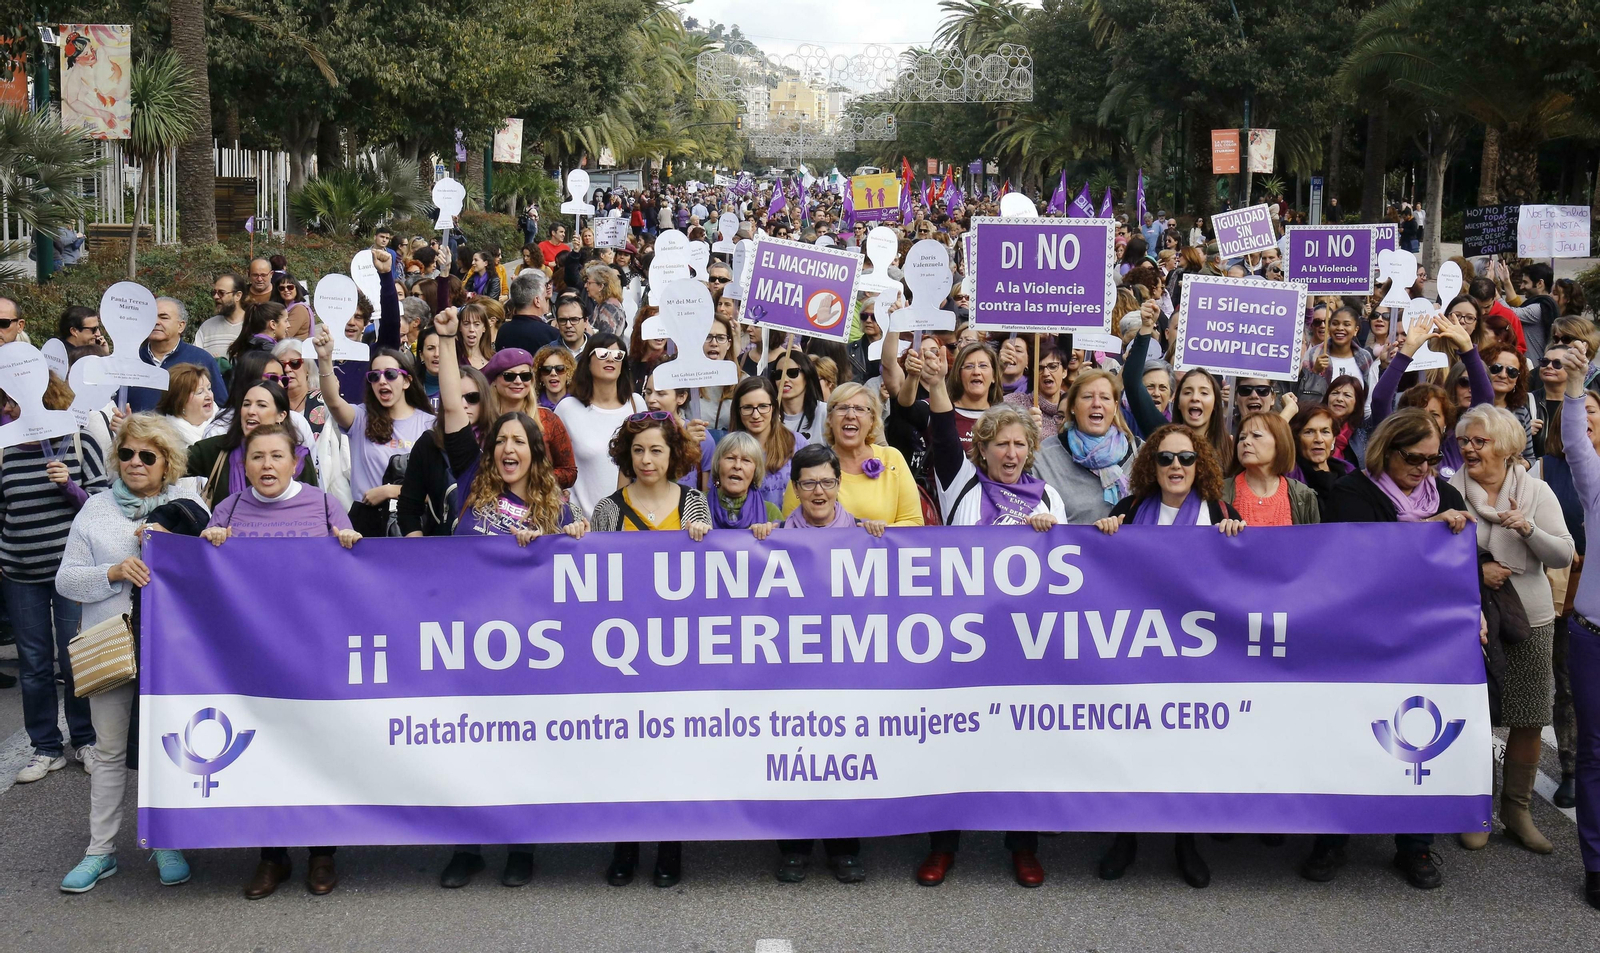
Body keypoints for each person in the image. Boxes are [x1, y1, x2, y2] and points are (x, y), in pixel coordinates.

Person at [914, 347, 1062, 888]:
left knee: (1021, 746)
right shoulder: (962, 484)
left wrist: (1055, 537)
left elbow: (1072, 571)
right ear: (984, 449)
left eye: (1021, 443)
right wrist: (935, 385)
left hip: (1024, 644)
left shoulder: (1048, 497)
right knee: (953, 741)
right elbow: (942, 430)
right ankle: (942, 845)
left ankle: (1022, 844)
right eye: (1001, 442)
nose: (1012, 451)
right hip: (964, 640)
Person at [1306, 408, 1472, 888]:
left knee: (1418, 737)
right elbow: (1361, 559)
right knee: (1349, 737)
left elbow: (1465, 567)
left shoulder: (1447, 494)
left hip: (1424, 641)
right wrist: (1428, 533)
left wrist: (1475, 608)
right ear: (1386, 450)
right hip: (1361, 636)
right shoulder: (1351, 493)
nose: (1425, 469)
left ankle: (1416, 846)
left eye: (1433, 459)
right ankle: (1331, 840)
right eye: (1414, 459)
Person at [202, 422, 357, 897]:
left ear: (296, 461)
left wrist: (349, 543)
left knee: (317, 753)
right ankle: (272, 857)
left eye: (275, 456)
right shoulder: (229, 509)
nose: (266, 466)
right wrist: (208, 545)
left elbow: (354, 576)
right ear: (243, 465)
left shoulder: (325, 504)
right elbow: (208, 582)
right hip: (254, 658)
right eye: (256, 457)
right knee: (264, 754)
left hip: (315, 653)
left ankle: (322, 855)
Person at [1091, 423, 1243, 889]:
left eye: (1186, 458)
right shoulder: (1132, 508)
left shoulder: (1220, 510)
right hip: (1138, 650)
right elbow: (1101, 568)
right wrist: (1106, 531)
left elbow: (1244, 578)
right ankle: (1125, 838)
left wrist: (1238, 536)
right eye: (1165, 459)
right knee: (1132, 745)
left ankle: (1184, 841)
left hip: (1195, 656)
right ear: (1150, 466)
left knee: (1186, 749)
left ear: (1200, 465)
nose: (1176, 466)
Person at [55, 414, 202, 893]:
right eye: (126, 454)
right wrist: (113, 572)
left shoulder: (190, 505)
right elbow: (65, 579)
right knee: (110, 751)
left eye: (147, 456)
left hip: (173, 653)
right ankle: (100, 852)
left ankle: (165, 840)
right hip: (113, 646)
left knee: (165, 751)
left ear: (167, 463)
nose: (134, 463)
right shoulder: (95, 509)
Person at [590, 411, 711, 890]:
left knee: (671, 753)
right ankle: (625, 846)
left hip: (678, 652)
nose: (646, 459)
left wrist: (704, 543)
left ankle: (669, 846)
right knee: (626, 754)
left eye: (656, 449)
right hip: (623, 652)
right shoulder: (607, 509)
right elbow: (589, 580)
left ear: (673, 454)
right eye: (638, 450)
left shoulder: (694, 504)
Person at [1450, 405, 1572, 853]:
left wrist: (1528, 528)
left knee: (1528, 717)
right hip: (1473, 619)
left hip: (1532, 618)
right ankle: (1477, 809)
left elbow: (1561, 555)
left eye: (1479, 441)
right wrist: (1479, 570)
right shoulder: (1448, 491)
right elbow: (1434, 554)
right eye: (1464, 440)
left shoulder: (1535, 490)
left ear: (1506, 446)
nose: (1469, 448)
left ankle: (1517, 812)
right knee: (1476, 716)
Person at [5, 371, 108, 785]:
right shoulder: (5, 450)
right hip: (20, 572)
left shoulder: (80, 443)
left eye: (12, 403)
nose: (8, 410)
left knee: (74, 658)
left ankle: (84, 739)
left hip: (72, 571)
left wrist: (71, 488)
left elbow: (103, 507)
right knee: (33, 663)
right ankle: (45, 747)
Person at [1553, 358, 1600, 908]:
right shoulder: (1595, 483)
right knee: (1594, 754)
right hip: (1593, 638)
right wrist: (1573, 389)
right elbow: (1576, 443)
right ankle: (1596, 863)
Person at [312, 325, 433, 536]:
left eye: (391, 374)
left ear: (407, 381)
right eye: (374, 376)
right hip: (368, 522)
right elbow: (332, 401)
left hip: (414, 524)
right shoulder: (360, 417)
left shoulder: (429, 424)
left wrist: (389, 491)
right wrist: (325, 359)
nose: (382, 380)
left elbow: (438, 489)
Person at [783, 384, 922, 526]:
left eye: (860, 409)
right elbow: (792, 529)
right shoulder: (809, 464)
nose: (850, 416)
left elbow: (914, 522)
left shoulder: (892, 458)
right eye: (842, 408)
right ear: (829, 418)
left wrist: (880, 532)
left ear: (872, 420)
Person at [554, 334, 647, 518]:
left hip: (628, 522)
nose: (611, 358)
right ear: (588, 360)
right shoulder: (567, 408)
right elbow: (552, 466)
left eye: (618, 355)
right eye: (603, 354)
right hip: (581, 527)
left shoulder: (636, 404)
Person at [1032, 369, 1139, 525]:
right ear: (1073, 406)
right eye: (1088, 397)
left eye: (1105, 398)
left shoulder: (1140, 452)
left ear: (1115, 407)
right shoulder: (1045, 456)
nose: (1097, 404)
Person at [187, 380, 318, 507]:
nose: (251, 411)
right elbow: (171, 463)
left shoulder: (299, 457)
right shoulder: (218, 449)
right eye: (246, 404)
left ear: (281, 415)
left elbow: (313, 510)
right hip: (227, 529)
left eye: (261, 405)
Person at [125, 297, 228, 414]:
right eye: (151, 317)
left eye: (163, 317)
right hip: (137, 431)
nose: (156, 322)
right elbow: (116, 405)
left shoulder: (201, 360)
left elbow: (222, 409)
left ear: (181, 326)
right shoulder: (131, 361)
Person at [1222, 412, 1320, 525]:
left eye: (1256, 435)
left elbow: (1314, 541)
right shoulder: (1220, 493)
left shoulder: (1303, 495)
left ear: (1280, 443)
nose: (1246, 442)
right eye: (1242, 437)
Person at [729, 377, 805, 512]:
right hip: (747, 530)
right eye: (747, 408)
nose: (756, 415)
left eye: (763, 406)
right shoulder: (728, 449)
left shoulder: (797, 442)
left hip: (791, 529)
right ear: (738, 411)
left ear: (774, 408)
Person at [706, 431, 781, 534]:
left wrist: (769, 534)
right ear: (718, 464)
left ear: (755, 470)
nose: (737, 466)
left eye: (746, 460)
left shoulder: (771, 512)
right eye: (730, 458)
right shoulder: (696, 505)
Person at [495, 271, 560, 354]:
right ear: (537, 301)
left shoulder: (502, 331)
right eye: (544, 297)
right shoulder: (551, 335)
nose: (545, 301)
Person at [152, 363, 216, 446]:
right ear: (180, 402)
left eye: (209, 388)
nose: (209, 396)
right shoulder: (163, 438)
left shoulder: (228, 425)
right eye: (200, 392)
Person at [770, 348, 825, 440]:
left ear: (807, 375)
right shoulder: (768, 415)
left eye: (792, 373)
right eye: (779, 374)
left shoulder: (825, 412)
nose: (785, 379)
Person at [195, 272, 246, 358]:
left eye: (221, 293)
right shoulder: (207, 326)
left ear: (238, 296)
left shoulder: (254, 324)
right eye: (214, 292)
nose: (216, 297)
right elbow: (195, 358)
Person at [583, 263, 627, 337]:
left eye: (589, 283)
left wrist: (590, 334)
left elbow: (606, 340)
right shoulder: (602, 304)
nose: (585, 286)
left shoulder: (609, 307)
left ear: (600, 286)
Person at [534, 344, 575, 410]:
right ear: (540, 376)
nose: (553, 373)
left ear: (568, 373)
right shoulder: (532, 407)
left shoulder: (578, 404)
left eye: (560, 369)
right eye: (547, 370)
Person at [458, 301, 496, 371]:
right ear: (460, 327)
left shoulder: (494, 359)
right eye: (466, 324)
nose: (471, 329)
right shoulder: (454, 358)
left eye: (477, 324)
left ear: (484, 328)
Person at [272, 273, 312, 338]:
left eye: (290, 287)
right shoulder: (282, 308)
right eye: (282, 288)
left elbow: (285, 335)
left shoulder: (299, 309)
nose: (286, 290)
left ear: (296, 288)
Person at [552, 293, 592, 357]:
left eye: (574, 319)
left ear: (585, 321)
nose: (568, 325)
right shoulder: (547, 353)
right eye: (563, 320)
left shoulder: (598, 351)